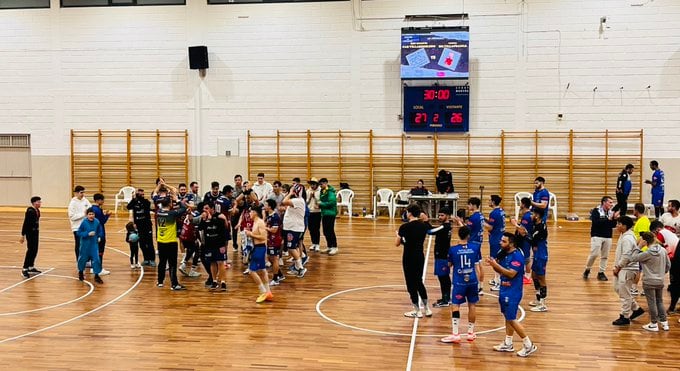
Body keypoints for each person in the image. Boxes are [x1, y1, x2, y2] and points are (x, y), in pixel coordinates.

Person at [487, 233, 537, 357]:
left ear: (511, 243)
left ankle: (528, 344)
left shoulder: (517, 257)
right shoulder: (504, 253)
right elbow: (499, 270)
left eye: (504, 241)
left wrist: (495, 265)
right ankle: (508, 343)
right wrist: (494, 264)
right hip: (504, 289)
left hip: (513, 291)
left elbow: (511, 274)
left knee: (512, 319)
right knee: (507, 317)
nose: (500, 243)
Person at [441, 226, 480, 343]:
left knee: (455, 305)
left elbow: (449, 265)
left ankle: (455, 334)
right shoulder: (475, 247)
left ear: (458, 235)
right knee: (472, 305)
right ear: (468, 236)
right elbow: (477, 264)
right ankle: (470, 333)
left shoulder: (453, 250)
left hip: (459, 281)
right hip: (473, 280)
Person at [396, 204, 433, 318]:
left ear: (410, 213)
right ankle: (427, 308)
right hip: (419, 256)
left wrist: (398, 236)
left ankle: (417, 310)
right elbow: (430, 229)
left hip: (408, 257)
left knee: (410, 283)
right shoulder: (423, 226)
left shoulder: (404, 227)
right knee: (419, 281)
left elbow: (397, 243)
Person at [631, 232, 671, 331]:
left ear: (644, 241)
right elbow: (668, 265)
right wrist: (662, 273)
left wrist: (639, 246)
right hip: (660, 281)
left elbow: (633, 258)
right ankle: (664, 322)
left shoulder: (647, 253)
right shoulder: (663, 250)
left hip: (649, 281)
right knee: (659, 301)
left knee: (652, 303)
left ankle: (653, 323)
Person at [612, 216, 645, 325]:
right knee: (618, 288)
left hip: (627, 269)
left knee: (624, 293)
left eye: (619, 224)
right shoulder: (624, 235)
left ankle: (624, 316)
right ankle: (635, 308)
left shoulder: (627, 238)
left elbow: (626, 255)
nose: (617, 226)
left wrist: (618, 267)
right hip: (624, 268)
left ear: (624, 226)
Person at [583, 196, 619, 281]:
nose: (611, 204)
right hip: (597, 235)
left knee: (605, 256)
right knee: (594, 254)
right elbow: (596, 222)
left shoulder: (611, 212)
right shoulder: (596, 211)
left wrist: (614, 219)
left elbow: (613, 225)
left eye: (612, 202)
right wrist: (608, 219)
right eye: (610, 202)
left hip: (608, 236)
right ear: (604, 202)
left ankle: (601, 272)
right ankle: (587, 269)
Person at [454, 197, 485, 295]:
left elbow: (465, 230)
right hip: (479, 241)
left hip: (473, 243)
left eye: (469, 204)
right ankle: (481, 286)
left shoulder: (474, 217)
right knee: (479, 264)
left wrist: (459, 222)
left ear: (473, 205)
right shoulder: (481, 216)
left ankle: (478, 287)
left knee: (476, 266)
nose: (467, 206)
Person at [155, 197, 187, 291]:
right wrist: (177, 200)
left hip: (161, 241)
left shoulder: (159, 212)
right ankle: (174, 284)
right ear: (170, 204)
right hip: (170, 242)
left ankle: (160, 281)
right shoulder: (171, 213)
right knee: (172, 263)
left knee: (162, 262)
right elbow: (183, 209)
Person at [650, 220, 679, 315]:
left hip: (676, 261)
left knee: (675, 284)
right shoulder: (669, 233)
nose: (654, 235)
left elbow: (655, 246)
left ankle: (672, 308)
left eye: (654, 233)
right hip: (675, 258)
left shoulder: (661, 233)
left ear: (657, 229)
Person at [245, 205, 273, 303]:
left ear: (255, 212)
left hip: (260, 248)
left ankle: (263, 291)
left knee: (251, 271)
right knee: (263, 270)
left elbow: (263, 237)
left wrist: (250, 234)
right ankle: (268, 291)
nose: (249, 214)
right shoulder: (255, 222)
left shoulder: (260, 223)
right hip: (257, 248)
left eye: (250, 212)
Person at [199, 202, 229, 291]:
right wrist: (204, 220)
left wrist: (223, 245)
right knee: (212, 262)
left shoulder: (219, 217)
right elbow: (200, 228)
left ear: (212, 209)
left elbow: (223, 228)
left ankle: (223, 282)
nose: (205, 210)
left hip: (219, 245)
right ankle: (214, 281)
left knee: (220, 262)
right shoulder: (204, 219)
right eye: (204, 209)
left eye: (207, 208)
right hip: (209, 244)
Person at [281, 184, 308, 278]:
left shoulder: (298, 200)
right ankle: (297, 267)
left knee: (291, 247)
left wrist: (289, 193)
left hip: (294, 228)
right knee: (291, 247)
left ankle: (300, 267)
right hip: (291, 227)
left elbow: (284, 201)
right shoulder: (296, 201)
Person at [430, 207, 453, 308]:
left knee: (443, 278)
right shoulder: (446, 226)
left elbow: (431, 231)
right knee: (444, 277)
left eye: (442, 215)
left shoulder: (444, 227)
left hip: (442, 256)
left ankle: (446, 299)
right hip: (442, 255)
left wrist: (425, 221)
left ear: (448, 216)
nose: (439, 217)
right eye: (439, 215)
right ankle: (446, 298)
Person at [127, 188, 155, 267]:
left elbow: (148, 206)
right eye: (140, 194)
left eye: (143, 194)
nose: (142, 195)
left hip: (147, 225)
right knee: (142, 243)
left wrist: (139, 199)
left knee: (149, 243)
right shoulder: (134, 202)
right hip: (139, 226)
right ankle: (146, 259)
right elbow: (128, 207)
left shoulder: (146, 202)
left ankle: (152, 259)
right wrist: (133, 199)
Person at [76, 208, 104, 284]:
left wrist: (99, 237)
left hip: (94, 245)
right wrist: (87, 234)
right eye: (89, 214)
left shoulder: (97, 222)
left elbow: (100, 231)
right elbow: (79, 233)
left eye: (92, 214)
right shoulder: (84, 222)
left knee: (96, 259)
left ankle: (97, 275)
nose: (91, 216)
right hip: (85, 245)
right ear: (87, 215)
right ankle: (81, 272)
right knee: (82, 259)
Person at [528, 208, 549, 312]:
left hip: (541, 254)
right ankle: (538, 297)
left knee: (541, 277)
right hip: (536, 253)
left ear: (537, 215)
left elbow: (531, 239)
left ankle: (543, 304)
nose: (531, 215)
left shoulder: (540, 227)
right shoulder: (536, 224)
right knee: (534, 275)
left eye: (533, 213)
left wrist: (519, 229)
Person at [511, 197, 534, 285]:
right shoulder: (528, 215)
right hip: (525, 240)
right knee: (525, 257)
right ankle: (526, 274)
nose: (520, 205)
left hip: (525, 240)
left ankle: (527, 277)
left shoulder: (527, 216)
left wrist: (515, 224)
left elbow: (523, 231)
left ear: (523, 204)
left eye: (521, 203)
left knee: (526, 258)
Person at [485, 195, 505, 291]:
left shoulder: (494, 213)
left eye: (489, 200)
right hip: (499, 236)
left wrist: (481, 223)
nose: (488, 202)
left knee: (496, 261)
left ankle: (498, 282)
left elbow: (490, 227)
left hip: (495, 239)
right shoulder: (501, 211)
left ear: (493, 202)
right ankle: (496, 279)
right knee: (497, 259)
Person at [20, 196, 42, 278]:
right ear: (33, 203)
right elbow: (25, 223)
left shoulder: (37, 210)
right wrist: (22, 235)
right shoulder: (30, 211)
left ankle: (31, 266)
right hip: (30, 233)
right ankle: (25, 268)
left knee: (35, 249)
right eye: (38, 202)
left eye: (40, 202)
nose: (40, 203)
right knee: (31, 250)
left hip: (36, 232)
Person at [68, 185, 92, 261]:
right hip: (77, 227)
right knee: (79, 245)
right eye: (81, 192)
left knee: (87, 244)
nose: (82, 194)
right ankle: (80, 260)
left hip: (87, 226)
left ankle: (87, 260)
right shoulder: (72, 203)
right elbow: (72, 217)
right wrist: (83, 214)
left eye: (83, 192)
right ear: (76, 193)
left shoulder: (86, 201)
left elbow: (90, 210)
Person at [264, 199, 284, 286]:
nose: (264, 206)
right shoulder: (269, 216)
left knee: (275, 258)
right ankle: (280, 274)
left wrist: (265, 228)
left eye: (266, 205)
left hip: (275, 241)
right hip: (270, 240)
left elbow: (274, 230)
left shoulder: (275, 217)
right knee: (270, 257)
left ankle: (275, 279)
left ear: (270, 206)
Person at [91, 193, 111, 276]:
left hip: (93, 232)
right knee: (100, 251)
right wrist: (107, 215)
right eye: (102, 200)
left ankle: (93, 267)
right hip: (100, 233)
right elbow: (102, 221)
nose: (103, 201)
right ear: (98, 200)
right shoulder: (98, 210)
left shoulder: (92, 209)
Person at [319, 178, 338, 256]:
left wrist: (321, 204)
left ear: (326, 183)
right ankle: (329, 246)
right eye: (320, 184)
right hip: (325, 213)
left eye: (321, 184)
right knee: (325, 231)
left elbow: (332, 202)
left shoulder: (330, 192)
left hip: (330, 214)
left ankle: (335, 247)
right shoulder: (323, 191)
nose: (320, 186)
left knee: (330, 230)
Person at [306, 178, 321, 252]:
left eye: (313, 184)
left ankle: (317, 244)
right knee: (311, 229)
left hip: (317, 212)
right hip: (310, 212)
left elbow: (320, 202)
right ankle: (313, 243)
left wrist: (315, 197)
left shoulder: (320, 191)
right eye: (311, 184)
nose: (312, 186)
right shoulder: (308, 191)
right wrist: (310, 198)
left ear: (317, 185)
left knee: (316, 229)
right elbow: (306, 202)